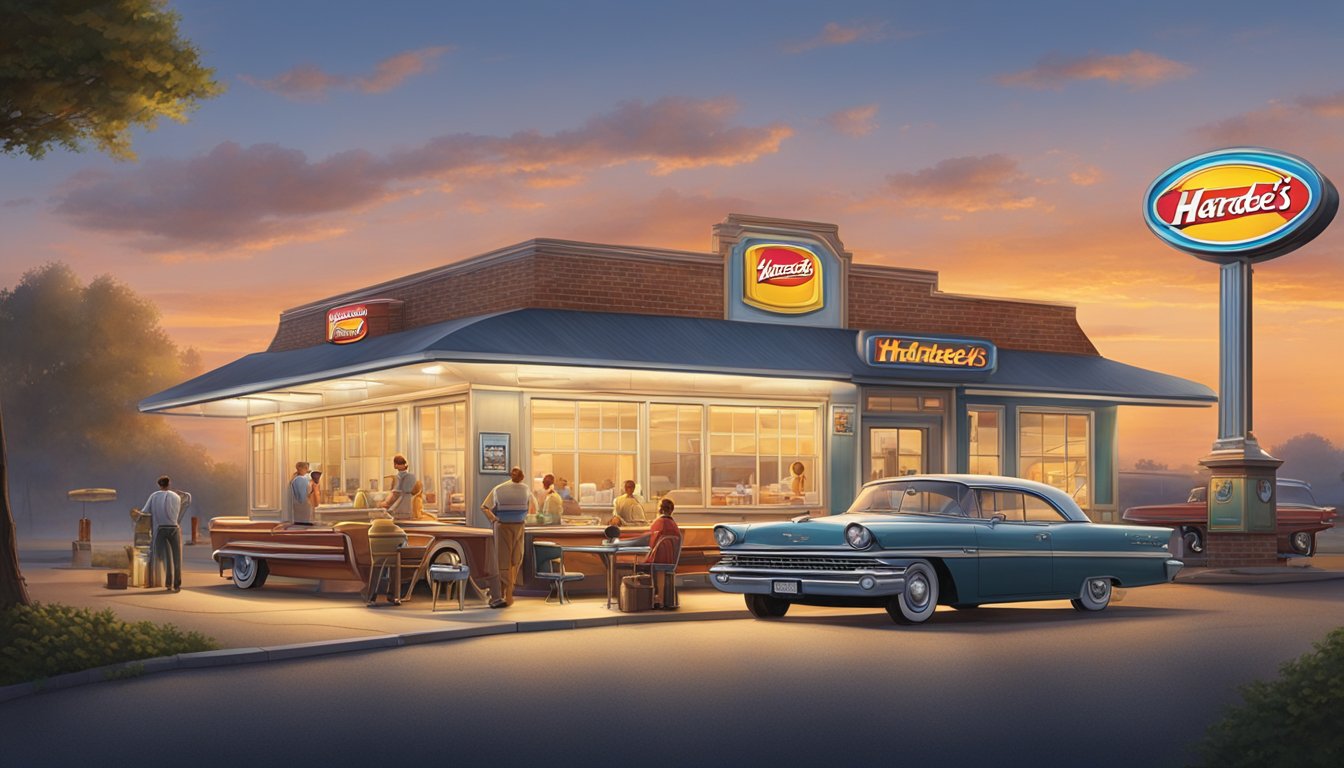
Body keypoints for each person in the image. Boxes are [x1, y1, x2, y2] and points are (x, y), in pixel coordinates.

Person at [480, 466, 536, 608]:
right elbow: (485, 507)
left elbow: (484, 507)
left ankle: (506, 592)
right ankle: (502, 594)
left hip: (514, 525)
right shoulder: (501, 489)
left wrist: (494, 519)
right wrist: (494, 519)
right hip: (507, 526)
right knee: (506, 561)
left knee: (514, 559)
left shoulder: (522, 489)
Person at [619, 498, 681, 609]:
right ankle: (659, 598)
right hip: (670, 559)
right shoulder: (673, 524)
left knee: (632, 563)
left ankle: (654, 598)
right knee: (660, 570)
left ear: (659, 509)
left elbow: (649, 539)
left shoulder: (658, 523)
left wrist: (622, 541)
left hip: (658, 558)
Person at [139, 475, 191, 592]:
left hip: (161, 528)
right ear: (169, 484)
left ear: (159, 485)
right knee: (177, 557)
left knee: (166, 558)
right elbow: (180, 508)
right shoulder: (176, 496)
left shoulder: (154, 496)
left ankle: (168, 584)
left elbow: (144, 511)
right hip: (174, 528)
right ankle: (177, 584)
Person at [366, 515, 407, 606]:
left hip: (375, 558)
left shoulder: (370, 530)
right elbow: (404, 542)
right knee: (395, 568)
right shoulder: (397, 529)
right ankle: (393, 596)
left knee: (376, 569)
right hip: (394, 557)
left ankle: (371, 597)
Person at [379, 454, 416, 520]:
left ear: (396, 465)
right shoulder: (412, 476)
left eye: (395, 464)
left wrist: (385, 503)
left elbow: (395, 494)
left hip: (400, 507)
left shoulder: (399, 477)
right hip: (410, 507)